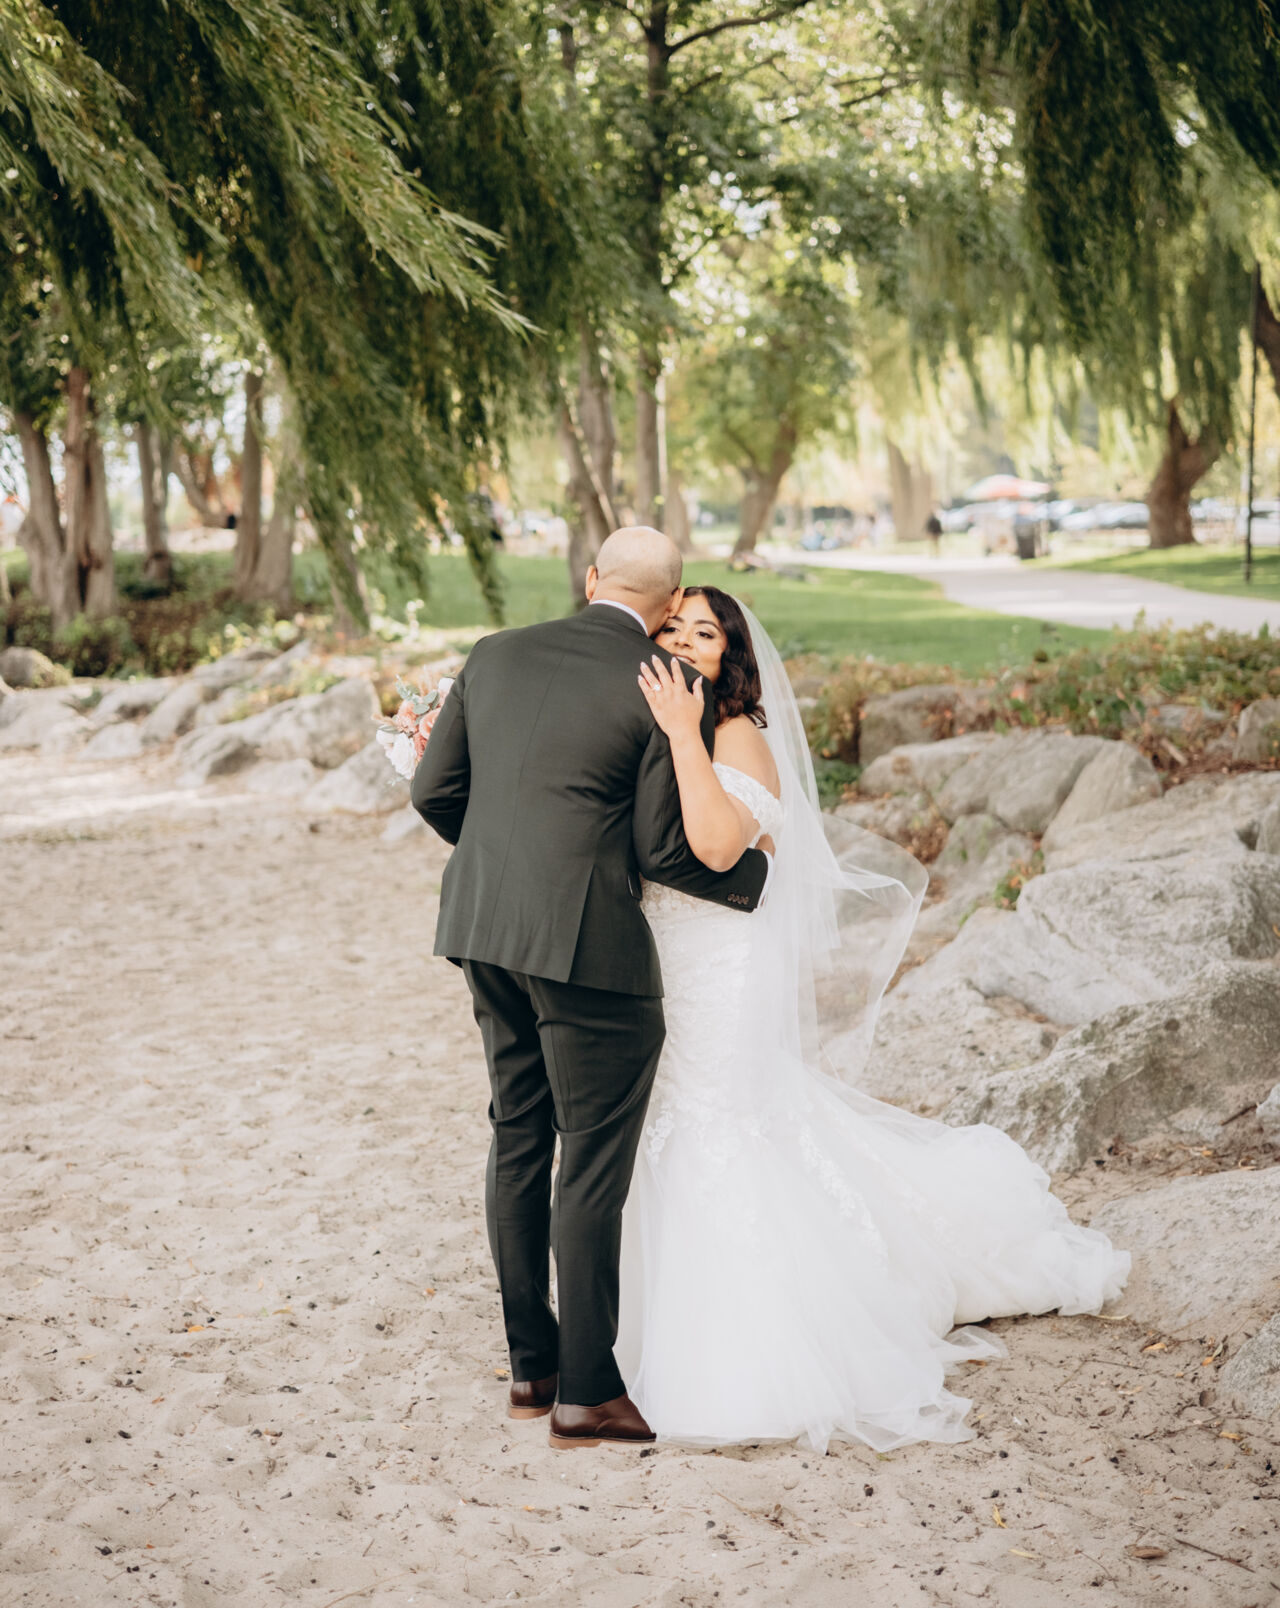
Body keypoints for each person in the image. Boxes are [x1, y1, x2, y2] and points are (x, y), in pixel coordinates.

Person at [619, 584, 1130, 1452]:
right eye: (672, 627)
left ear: (730, 659)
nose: (684, 641)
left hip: (720, 966)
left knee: (717, 1125)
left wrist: (678, 732)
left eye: (705, 633)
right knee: (673, 1122)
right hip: (663, 956)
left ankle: (745, 1346)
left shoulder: (733, 734)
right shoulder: (663, 725)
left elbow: (716, 846)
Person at [409, 529, 770, 1448]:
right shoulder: (668, 684)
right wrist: (758, 881)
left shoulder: (494, 653)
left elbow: (434, 792)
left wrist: (511, 860)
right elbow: (662, 850)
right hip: (586, 949)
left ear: (591, 578)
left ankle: (530, 1370)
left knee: (518, 1135)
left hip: (483, 930)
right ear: (670, 601)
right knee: (593, 1165)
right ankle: (588, 1392)